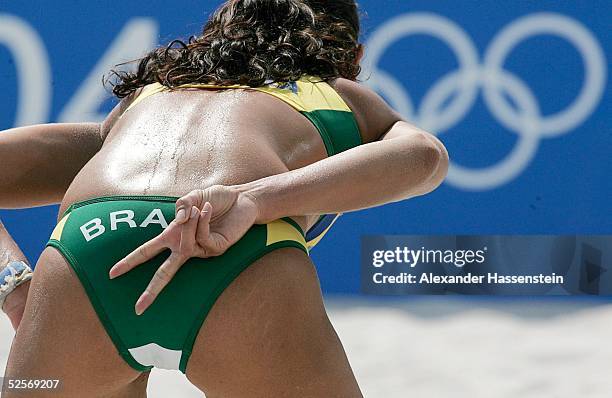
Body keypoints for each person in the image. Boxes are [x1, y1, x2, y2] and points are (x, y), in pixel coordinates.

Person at [0, 0, 448, 396]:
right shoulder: (335, 94)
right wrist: (255, 199)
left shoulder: (147, 97)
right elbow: (426, 158)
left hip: (88, 252)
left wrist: (14, 285)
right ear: (353, 57)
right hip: (237, 258)